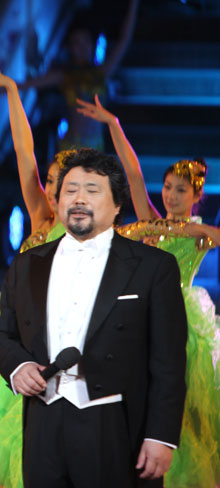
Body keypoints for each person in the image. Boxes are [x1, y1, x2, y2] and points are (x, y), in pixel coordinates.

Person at [0, 148, 187, 487]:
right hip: (43, 422)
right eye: (70, 190)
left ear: (117, 204)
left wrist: (161, 436)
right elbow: (1, 334)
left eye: (92, 190)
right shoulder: (27, 263)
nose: (79, 199)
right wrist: (18, 366)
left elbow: (169, 361)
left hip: (115, 423)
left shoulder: (153, 267)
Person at [77, 95, 220, 488]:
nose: (171, 196)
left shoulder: (198, 234)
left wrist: (192, 230)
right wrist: (113, 123)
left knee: (186, 407)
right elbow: (134, 173)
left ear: (196, 196)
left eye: (181, 191)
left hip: (183, 320)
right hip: (144, 316)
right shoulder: (150, 222)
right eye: (169, 188)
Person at [0, 57, 71, 488]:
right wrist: (12, 92)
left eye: (66, 182)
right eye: (54, 180)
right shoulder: (42, 215)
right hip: (15, 333)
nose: (55, 188)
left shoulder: (88, 232)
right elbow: (25, 154)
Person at [22, 0, 140, 150]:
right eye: (77, 43)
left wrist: (134, 1)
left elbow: (124, 40)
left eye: (86, 42)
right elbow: (23, 85)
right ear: (70, 47)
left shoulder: (101, 73)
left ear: (92, 45)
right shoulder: (64, 75)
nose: (82, 47)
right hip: (71, 147)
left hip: (95, 148)